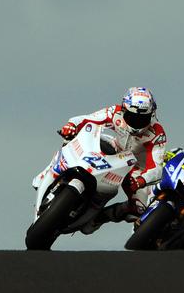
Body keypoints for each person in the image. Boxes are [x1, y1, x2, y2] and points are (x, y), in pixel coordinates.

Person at [48, 87, 167, 234]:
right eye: (132, 117)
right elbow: (87, 119)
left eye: (143, 118)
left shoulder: (157, 133)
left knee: (139, 208)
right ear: (124, 110)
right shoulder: (115, 112)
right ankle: (53, 173)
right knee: (73, 139)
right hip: (114, 149)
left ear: (152, 114)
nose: (137, 122)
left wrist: (141, 180)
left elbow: (156, 167)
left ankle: (100, 217)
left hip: (135, 168)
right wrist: (71, 125)